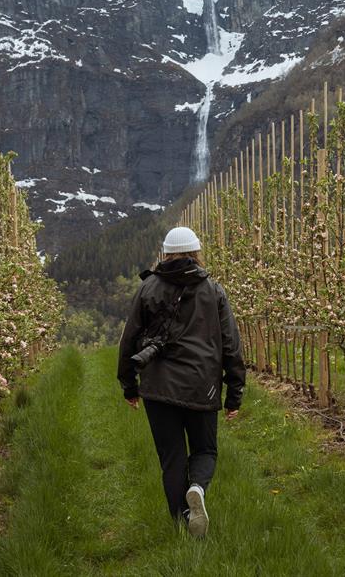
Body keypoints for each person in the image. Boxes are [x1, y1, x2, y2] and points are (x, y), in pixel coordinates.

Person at [118, 226, 245, 538]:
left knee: (171, 459)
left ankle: (183, 521)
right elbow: (231, 345)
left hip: (158, 387)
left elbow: (129, 338)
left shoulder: (148, 287)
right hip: (202, 385)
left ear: (166, 253)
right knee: (205, 450)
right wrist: (234, 393)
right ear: (197, 252)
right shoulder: (213, 290)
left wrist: (129, 385)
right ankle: (197, 488)